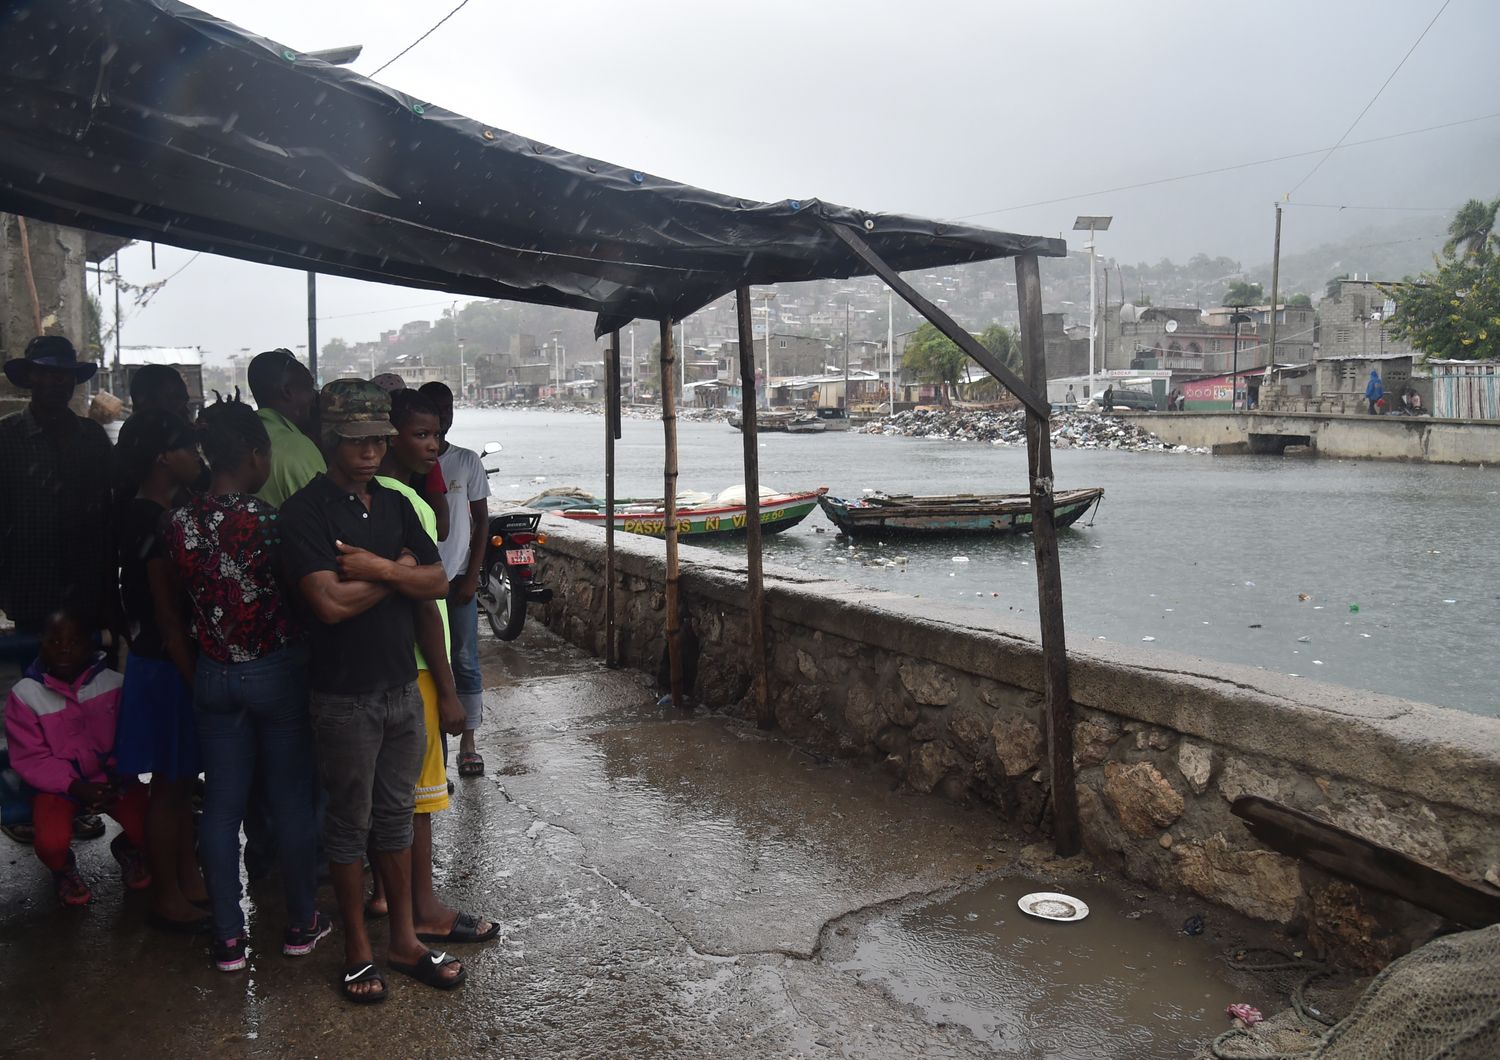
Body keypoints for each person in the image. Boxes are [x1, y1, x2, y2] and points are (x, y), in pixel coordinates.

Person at [279, 379, 464, 1003]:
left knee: (395, 820)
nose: (370, 451)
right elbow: (328, 603)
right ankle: (359, 950)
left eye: (378, 439)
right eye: (357, 439)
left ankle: (404, 940)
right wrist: (401, 576)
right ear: (333, 437)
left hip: (400, 689)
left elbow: (438, 578)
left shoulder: (393, 502)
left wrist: (378, 569)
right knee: (348, 825)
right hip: (343, 694)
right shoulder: (305, 511)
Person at [157, 397, 328, 972]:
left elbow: (171, 615)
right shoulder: (269, 522)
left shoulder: (178, 523)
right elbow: (302, 601)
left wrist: (201, 673)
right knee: (291, 801)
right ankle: (302, 924)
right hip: (275, 671)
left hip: (213, 674)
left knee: (221, 809)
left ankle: (229, 938)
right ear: (255, 455)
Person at [364, 388, 498, 946]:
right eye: (422, 435)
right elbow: (429, 593)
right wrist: (447, 691)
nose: (434, 446)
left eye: (437, 435)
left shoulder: (363, 497)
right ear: (387, 436)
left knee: (383, 798)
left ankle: (388, 895)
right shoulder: (406, 501)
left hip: (377, 663)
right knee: (417, 802)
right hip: (418, 664)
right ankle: (422, 908)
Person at [112, 410, 211, 932]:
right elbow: (166, 614)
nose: (198, 458)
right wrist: (195, 679)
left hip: (168, 658)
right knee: (169, 787)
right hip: (168, 662)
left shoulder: (169, 509)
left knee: (180, 779)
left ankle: (188, 876)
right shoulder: (149, 519)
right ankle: (168, 893)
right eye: (189, 449)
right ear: (161, 457)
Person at [3, 610, 148, 905]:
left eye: (75, 641)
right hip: (57, 787)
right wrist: (74, 785)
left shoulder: (114, 684)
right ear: (41, 643)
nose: (65, 648)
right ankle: (63, 868)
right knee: (50, 842)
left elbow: (131, 736)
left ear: (91, 645)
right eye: (55, 641)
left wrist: (120, 772)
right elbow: (32, 758)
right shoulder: (25, 695)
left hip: (111, 780)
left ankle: (128, 849)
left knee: (152, 824)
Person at [0, 336, 118, 637]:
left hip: (88, 593)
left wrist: (109, 592)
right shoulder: (6, 437)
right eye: (48, 372)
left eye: (65, 374)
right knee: (34, 682)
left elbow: (108, 515)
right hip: (29, 592)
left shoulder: (92, 437)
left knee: (95, 683)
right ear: (31, 377)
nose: (58, 381)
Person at [419, 381, 491, 777]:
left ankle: (468, 741)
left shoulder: (466, 461)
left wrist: (472, 576)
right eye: (435, 409)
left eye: (448, 408)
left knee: (465, 659)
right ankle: (434, 753)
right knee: (431, 663)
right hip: (422, 582)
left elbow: (481, 521)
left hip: (458, 579)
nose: (443, 417)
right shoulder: (414, 466)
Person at [249, 348, 324, 510]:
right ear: (287, 391)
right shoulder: (297, 447)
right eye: (309, 387)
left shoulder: (245, 434)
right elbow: (325, 519)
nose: (314, 396)